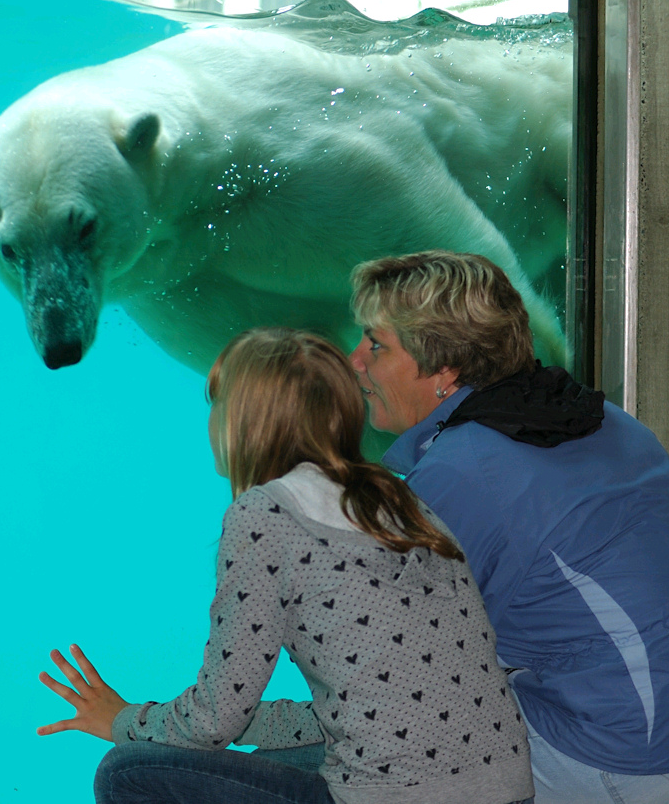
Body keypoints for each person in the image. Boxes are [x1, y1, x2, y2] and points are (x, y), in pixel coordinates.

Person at [37, 328, 535, 804]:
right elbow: (364, 709)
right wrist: (190, 721)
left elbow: (214, 722)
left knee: (129, 771)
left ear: (244, 420)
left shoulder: (266, 515)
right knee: (271, 753)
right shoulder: (398, 499)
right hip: (503, 790)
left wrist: (124, 720)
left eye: (216, 403)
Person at [347, 250, 669, 804]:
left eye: (375, 344)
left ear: (444, 369)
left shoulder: (459, 470)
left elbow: (395, 659)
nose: (355, 360)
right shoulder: (603, 418)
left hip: (629, 755)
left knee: (371, 759)